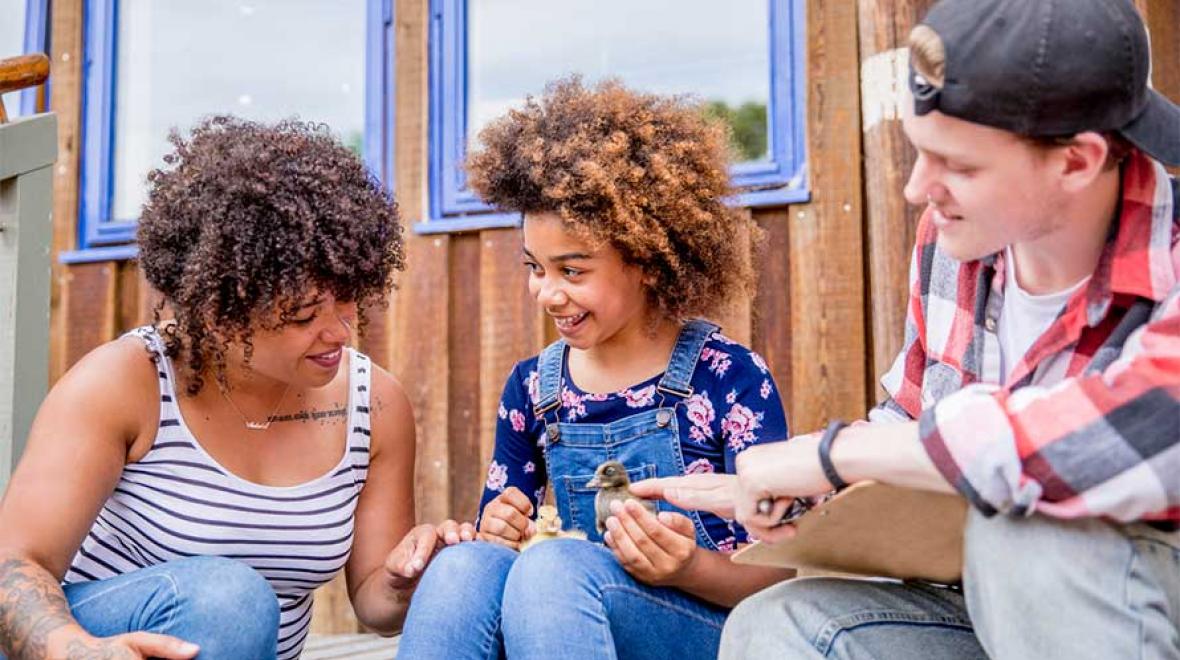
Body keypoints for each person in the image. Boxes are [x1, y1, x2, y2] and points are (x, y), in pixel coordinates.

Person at [637, 0, 1180, 657]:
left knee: (1030, 529)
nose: (918, 188)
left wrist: (830, 456)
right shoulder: (953, 242)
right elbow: (912, 422)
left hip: (1139, 611)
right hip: (982, 607)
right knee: (780, 625)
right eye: (919, 154)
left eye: (960, 165)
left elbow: (1112, 437)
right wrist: (806, 492)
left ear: (1077, 161)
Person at [0, 117, 471, 660]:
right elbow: (16, 564)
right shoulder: (126, 381)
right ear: (219, 312)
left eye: (346, 300)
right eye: (301, 316)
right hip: (90, 643)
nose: (340, 331)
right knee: (231, 597)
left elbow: (373, 603)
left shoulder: (374, 404)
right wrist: (75, 649)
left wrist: (404, 577)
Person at [397, 77, 792, 660]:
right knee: (464, 567)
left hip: (708, 631)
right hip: (563, 623)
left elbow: (783, 572)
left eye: (572, 271)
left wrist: (686, 568)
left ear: (648, 262)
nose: (547, 293)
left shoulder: (728, 377)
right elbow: (501, 549)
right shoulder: (533, 388)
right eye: (535, 267)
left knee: (557, 569)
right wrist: (501, 532)